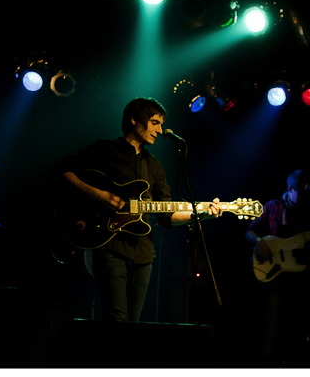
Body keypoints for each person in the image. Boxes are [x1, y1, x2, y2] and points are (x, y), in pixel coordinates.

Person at [51, 97, 223, 322]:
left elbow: (167, 215)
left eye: (161, 124)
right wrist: (97, 194)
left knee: (133, 324)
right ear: (134, 120)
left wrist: (201, 212)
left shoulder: (154, 165)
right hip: (109, 247)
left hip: (143, 253)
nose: (160, 130)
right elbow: (62, 170)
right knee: (117, 319)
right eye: (154, 122)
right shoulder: (105, 150)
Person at [245, 168, 310, 367]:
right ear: (290, 188)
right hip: (276, 276)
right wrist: (259, 241)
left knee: (300, 326)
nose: (305, 194)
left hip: (303, 276)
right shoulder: (273, 207)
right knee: (273, 326)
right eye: (301, 189)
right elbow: (249, 232)